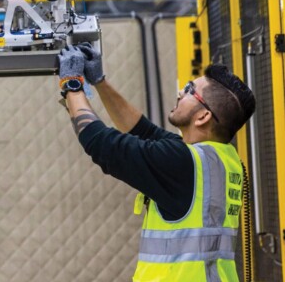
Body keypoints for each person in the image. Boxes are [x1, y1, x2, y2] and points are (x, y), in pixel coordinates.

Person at [56, 43, 256, 282]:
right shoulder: (222, 159)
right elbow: (142, 130)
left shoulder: (182, 162)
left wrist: (71, 86)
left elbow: (103, 145)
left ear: (203, 116)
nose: (181, 92)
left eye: (191, 90)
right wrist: (99, 81)